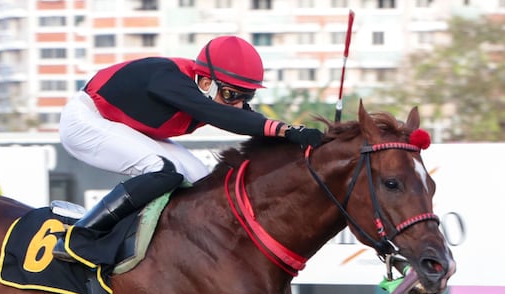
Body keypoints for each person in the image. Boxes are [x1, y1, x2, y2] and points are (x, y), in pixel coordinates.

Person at [54, 35, 325, 263]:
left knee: (203, 181)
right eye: (232, 95)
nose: (239, 105)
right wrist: (287, 129)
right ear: (205, 83)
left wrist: (296, 137)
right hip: (85, 121)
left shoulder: (210, 93)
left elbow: (246, 119)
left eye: (246, 97)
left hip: (123, 126)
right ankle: (80, 236)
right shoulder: (169, 79)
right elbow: (226, 118)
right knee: (164, 171)